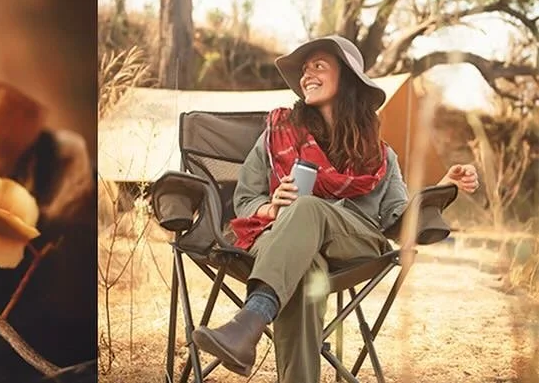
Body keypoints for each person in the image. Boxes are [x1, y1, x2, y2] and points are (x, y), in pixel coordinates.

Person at [192, 36, 478, 380]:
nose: (306, 75)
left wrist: (442, 187)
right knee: (308, 269)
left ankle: (248, 322)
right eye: (304, 69)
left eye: (318, 66)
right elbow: (245, 201)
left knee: (308, 208)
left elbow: (397, 219)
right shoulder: (276, 134)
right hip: (280, 243)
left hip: (355, 244)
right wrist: (272, 208)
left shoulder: (380, 155)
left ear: (347, 78)